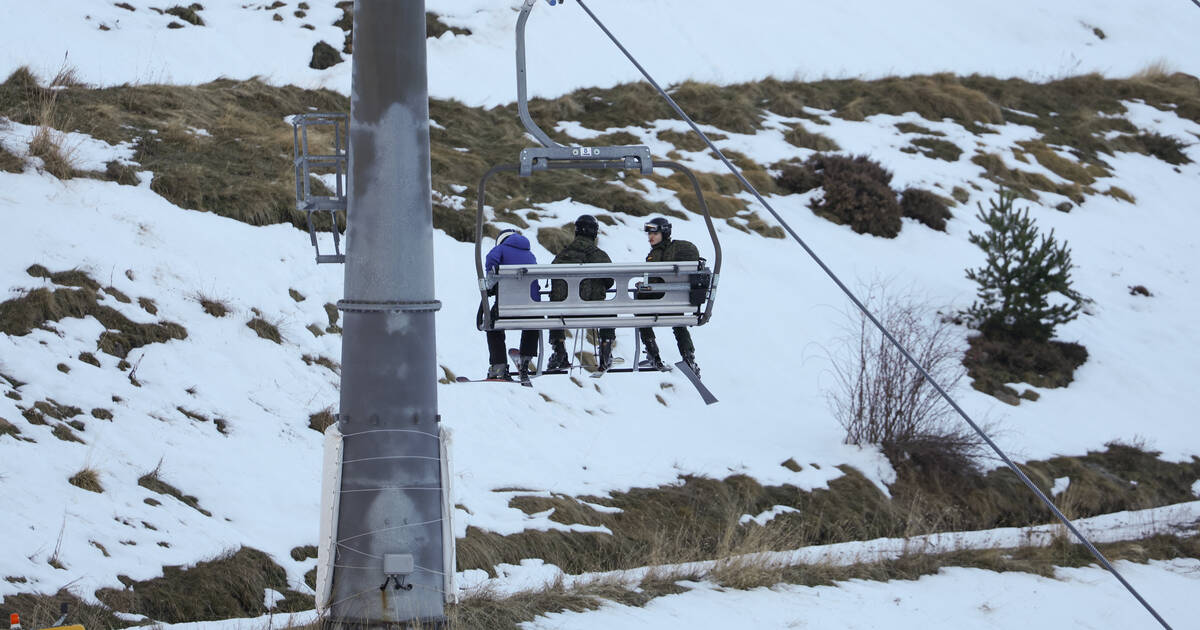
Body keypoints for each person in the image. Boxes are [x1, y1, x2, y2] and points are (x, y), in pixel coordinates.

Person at [547, 215, 616, 371]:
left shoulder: (562, 255)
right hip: (592, 310)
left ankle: (559, 350)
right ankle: (605, 348)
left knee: (554, 306)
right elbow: (610, 280)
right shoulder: (599, 255)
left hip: (562, 311)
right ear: (594, 233)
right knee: (610, 311)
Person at [638, 217, 702, 377]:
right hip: (678, 303)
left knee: (639, 306)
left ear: (664, 233)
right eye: (649, 233)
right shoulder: (676, 250)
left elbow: (654, 283)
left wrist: (643, 286)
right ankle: (688, 356)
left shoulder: (657, 254)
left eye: (655, 233)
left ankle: (652, 350)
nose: (650, 237)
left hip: (658, 301)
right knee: (678, 320)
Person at [481, 228, 540, 381]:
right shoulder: (530, 254)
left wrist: (491, 283)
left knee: (491, 324)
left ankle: (498, 366)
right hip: (532, 308)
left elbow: (491, 265)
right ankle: (525, 360)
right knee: (533, 321)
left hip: (506, 307)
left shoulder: (499, 249)